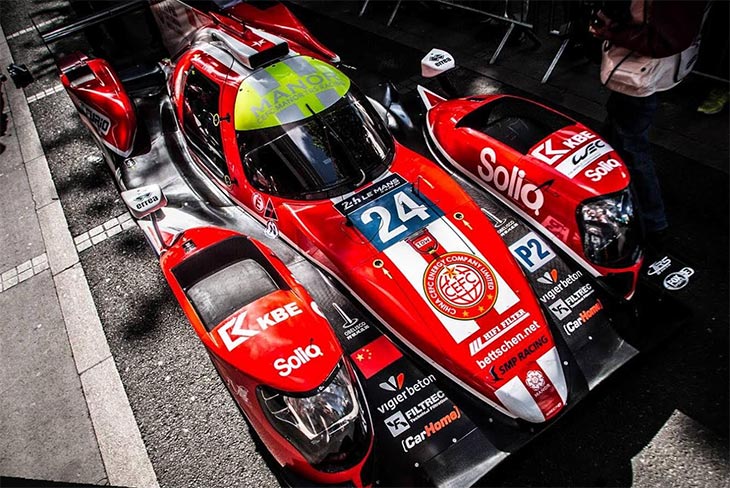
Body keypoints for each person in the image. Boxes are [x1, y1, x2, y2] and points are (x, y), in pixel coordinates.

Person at [589, 0, 707, 245]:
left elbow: (662, 41)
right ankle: (612, 196)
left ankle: (653, 220)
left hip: (641, 69)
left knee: (630, 146)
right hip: (645, 66)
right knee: (616, 134)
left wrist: (609, 31)